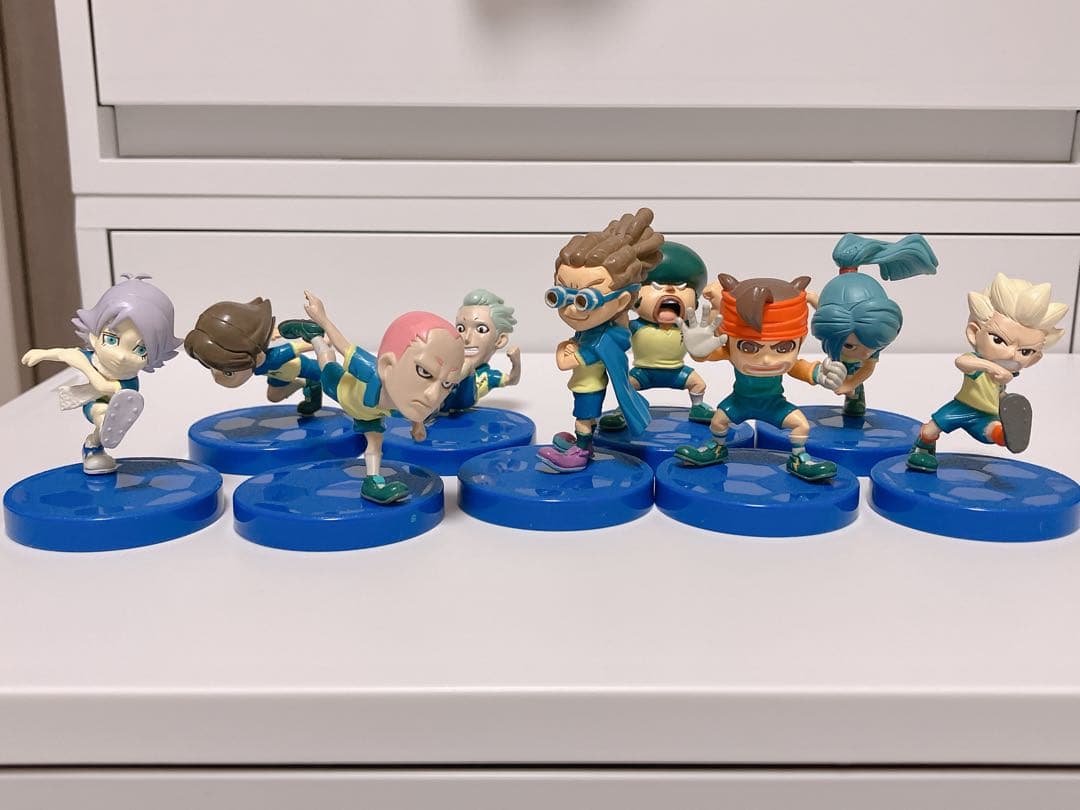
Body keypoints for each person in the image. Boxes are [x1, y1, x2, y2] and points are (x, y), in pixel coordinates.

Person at [299, 291, 465, 503]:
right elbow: (344, 347)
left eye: (447, 384)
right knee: (327, 363)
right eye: (424, 372)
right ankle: (315, 337)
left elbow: (414, 411)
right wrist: (322, 318)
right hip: (342, 390)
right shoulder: (370, 371)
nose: (434, 396)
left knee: (375, 444)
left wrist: (418, 424)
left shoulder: (404, 402)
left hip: (371, 416)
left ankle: (373, 483)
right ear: (386, 366)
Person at [907, 273, 1068, 472]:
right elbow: (962, 362)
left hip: (988, 414)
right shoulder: (979, 363)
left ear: (1035, 359)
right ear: (974, 333)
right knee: (930, 429)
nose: (1011, 354)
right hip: (961, 406)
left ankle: (1007, 434)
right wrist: (992, 368)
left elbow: (998, 390)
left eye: (1025, 351)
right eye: (999, 340)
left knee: (994, 434)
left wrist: (1006, 402)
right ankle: (922, 452)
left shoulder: (1008, 373)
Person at [21, 275, 182, 474]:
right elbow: (67, 354)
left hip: (115, 398)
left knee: (103, 412)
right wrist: (43, 354)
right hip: (94, 401)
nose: (121, 357)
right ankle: (101, 434)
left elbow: (103, 386)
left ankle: (96, 442)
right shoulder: (92, 359)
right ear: (94, 336)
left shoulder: (129, 384)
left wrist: (87, 369)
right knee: (99, 410)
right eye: (112, 340)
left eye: (141, 350)